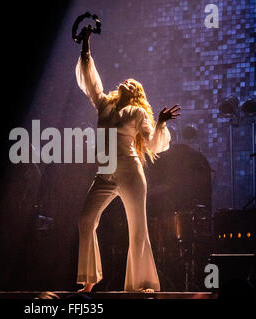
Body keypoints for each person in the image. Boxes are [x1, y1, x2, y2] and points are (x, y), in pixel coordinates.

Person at [75, 27, 181, 293]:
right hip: (106, 171)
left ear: (136, 93)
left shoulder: (136, 112)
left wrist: (161, 124)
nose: (127, 81)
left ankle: (142, 284)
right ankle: (90, 280)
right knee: (86, 220)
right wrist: (86, 44)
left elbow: (152, 143)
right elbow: (91, 81)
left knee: (138, 230)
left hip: (131, 172)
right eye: (126, 80)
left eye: (133, 83)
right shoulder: (104, 105)